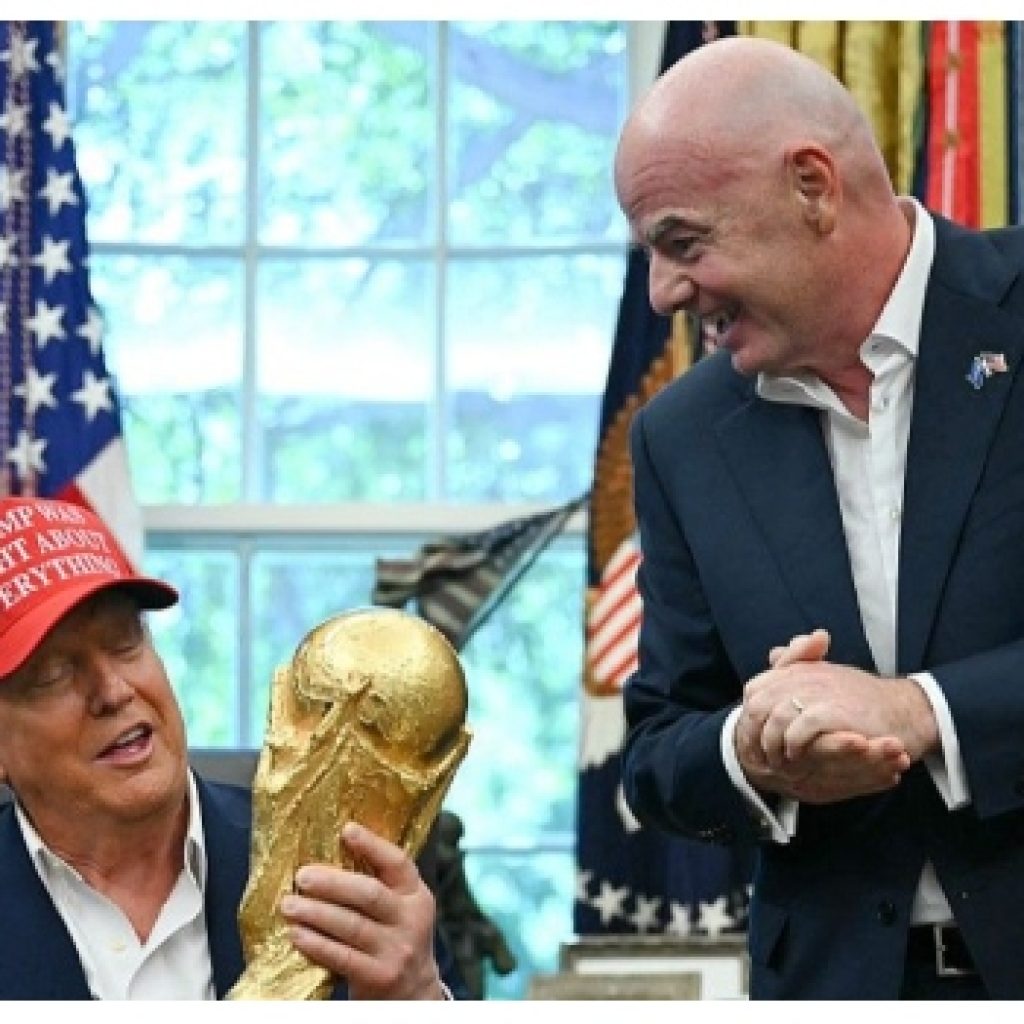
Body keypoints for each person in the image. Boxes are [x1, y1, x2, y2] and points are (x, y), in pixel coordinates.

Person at [616, 35, 1024, 1000]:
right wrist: (753, 748)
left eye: (683, 243)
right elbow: (657, 746)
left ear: (812, 185)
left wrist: (920, 712)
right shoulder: (681, 434)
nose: (663, 293)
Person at [0, 494, 465, 1000]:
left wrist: (419, 998)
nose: (113, 691)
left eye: (125, 641)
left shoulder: (345, 866)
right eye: (52, 674)